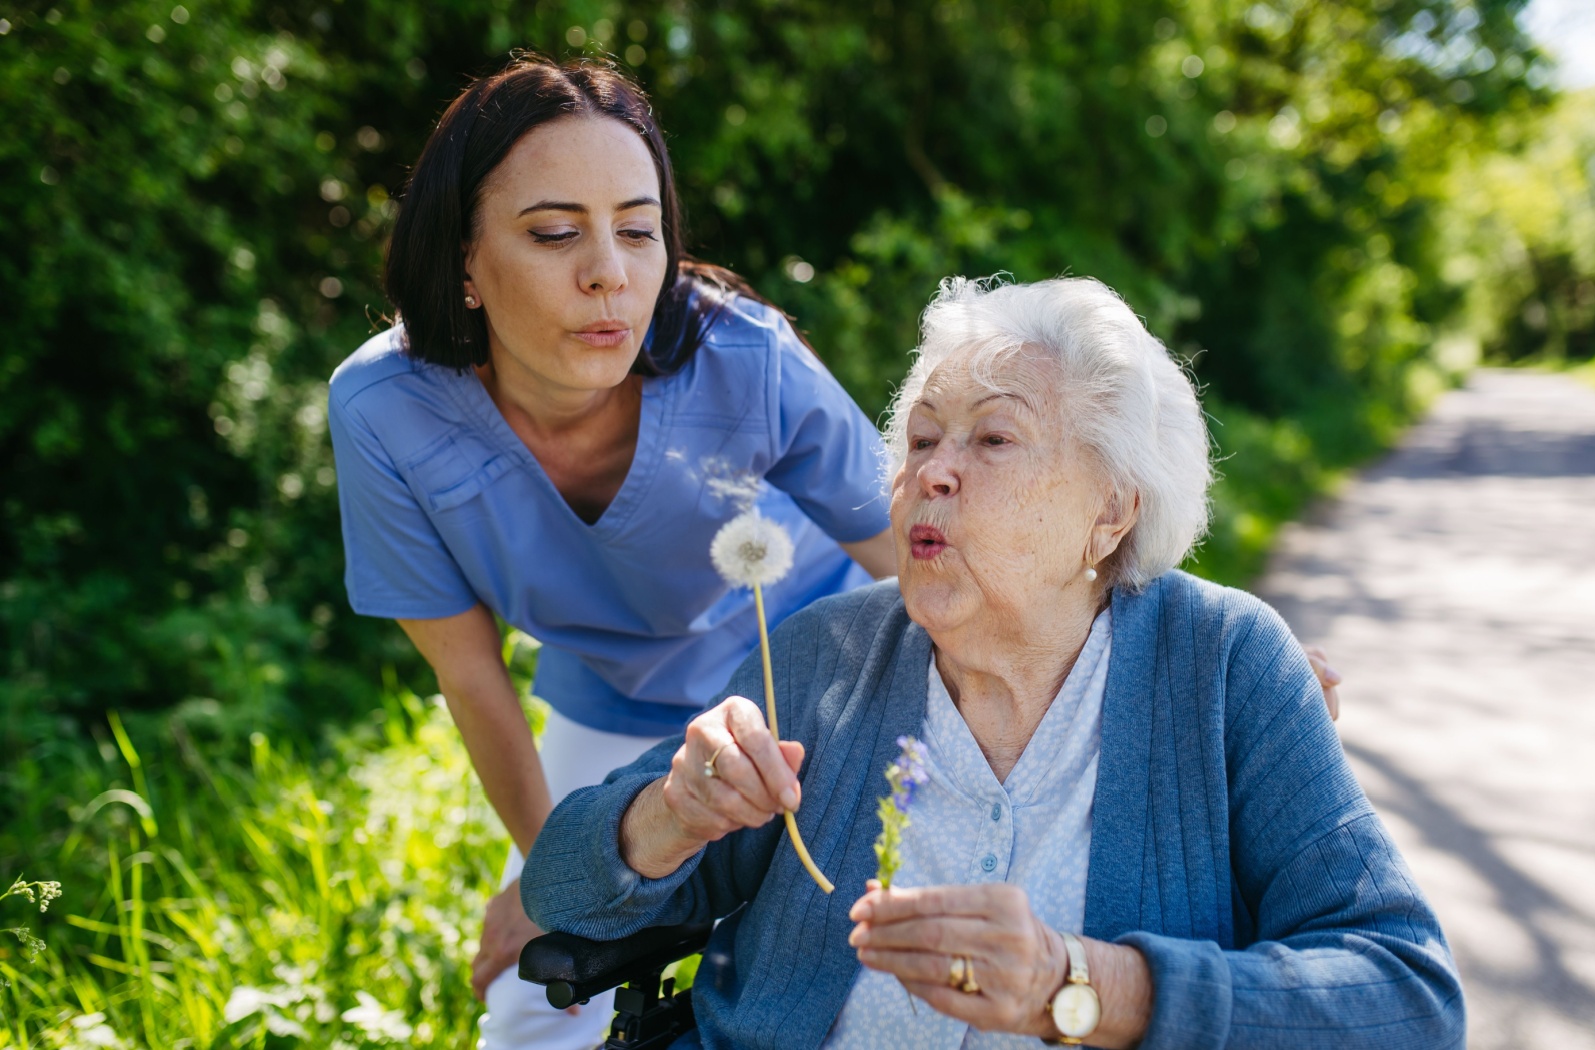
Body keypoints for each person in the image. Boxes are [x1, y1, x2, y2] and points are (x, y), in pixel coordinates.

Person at [524, 276, 1462, 1049]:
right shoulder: (821, 654)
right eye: (923, 438)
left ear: (1112, 511)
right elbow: (557, 885)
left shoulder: (1227, 665)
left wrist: (1087, 987)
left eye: (995, 439)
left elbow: (1408, 996)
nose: (934, 470)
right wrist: (668, 816)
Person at [326, 56, 898, 1049]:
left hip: (811, 678)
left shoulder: (748, 357)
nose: (610, 272)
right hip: (613, 701)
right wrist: (556, 867)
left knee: (817, 970)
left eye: (638, 230)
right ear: (464, 262)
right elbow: (470, 671)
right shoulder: (383, 410)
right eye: (555, 233)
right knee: (529, 997)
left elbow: (924, 567)